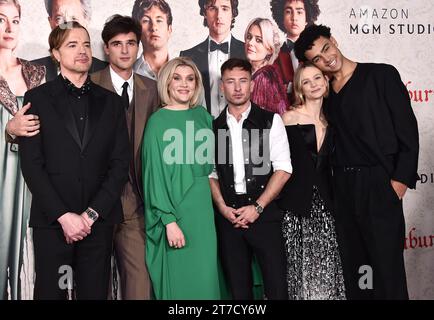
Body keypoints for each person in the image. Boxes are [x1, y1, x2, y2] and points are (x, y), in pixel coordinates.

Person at [294, 24, 419, 299]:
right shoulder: (325, 95)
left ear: (334, 40)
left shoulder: (381, 75)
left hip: (378, 186)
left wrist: (396, 185)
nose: (326, 58)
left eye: (326, 48)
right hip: (343, 191)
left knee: (387, 272)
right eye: (316, 58)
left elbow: (408, 134)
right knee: (358, 272)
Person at [19, 21, 130, 300]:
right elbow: (32, 165)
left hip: (98, 223)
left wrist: (89, 216)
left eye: (85, 44)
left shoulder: (112, 103)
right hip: (52, 222)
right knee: (51, 294)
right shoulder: (36, 99)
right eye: (72, 44)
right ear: (55, 53)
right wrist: (64, 217)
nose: (82, 50)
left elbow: (119, 165)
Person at [210, 58, 291, 299]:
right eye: (230, 82)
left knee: (277, 288)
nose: (237, 88)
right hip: (229, 219)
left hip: (265, 216)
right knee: (238, 291)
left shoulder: (270, 121)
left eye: (243, 81)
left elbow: (283, 169)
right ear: (222, 86)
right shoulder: (212, 127)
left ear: (252, 85)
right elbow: (211, 173)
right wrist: (223, 208)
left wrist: (258, 207)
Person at [91, 14, 159, 300]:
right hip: (93, 202)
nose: (125, 50)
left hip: (136, 204)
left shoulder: (153, 89)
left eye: (131, 43)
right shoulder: (89, 85)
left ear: (138, 46)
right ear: (106, 48)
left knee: (140, 284)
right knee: (94, 284)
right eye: (117, 44)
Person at [142, 57, 220, 299]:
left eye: (190, 78)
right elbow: (153, 176)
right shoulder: (157, 122)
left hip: (205, 214)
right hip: (176, 213)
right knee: (182, 286)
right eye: (177, 78)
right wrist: (169, 221)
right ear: (167, 83)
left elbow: (215, 169)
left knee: (206, 282)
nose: (184, 84)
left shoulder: (204, 117)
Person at [279, 62, 345, 299]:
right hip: (296, 207)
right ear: (299, 89)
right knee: (298, 273)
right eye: (306, 81)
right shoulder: (288, 118)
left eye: (317, 78)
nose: (314, 84)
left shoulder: (333, 123)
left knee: (327, 271)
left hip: (327, 208)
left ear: (326, 81)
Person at [0, 0, 45, 300]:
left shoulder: (36, 74)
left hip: (32, 179)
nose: (8, 28)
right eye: (1, 19)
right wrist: (8, 130)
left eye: (15, 21)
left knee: (31, 259)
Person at [180, 0, 245, 118]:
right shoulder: (188, 57)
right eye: (212, 8)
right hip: (201, 130)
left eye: (225, 8)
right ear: (204, 13)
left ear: (232, 13)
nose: (219, 15)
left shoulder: (248, 53)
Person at [32, 0, 107, 81]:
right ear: (51, 22)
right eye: (59, 19)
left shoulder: (106, 71)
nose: (67, 26)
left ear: (86, 20)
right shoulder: (32, 71)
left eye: (74, 19)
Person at [270, 0, 320, 103]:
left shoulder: (318, 51)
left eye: (299, 12)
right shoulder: (274, 57)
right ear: (281, 18)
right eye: (288, 12)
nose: (294, 18)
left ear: (307, 18)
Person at [244, 17, 289, 115]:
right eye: (249, 37)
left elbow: (256, 123)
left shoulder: (263, 77)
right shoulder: (267, 73)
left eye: (258, 40)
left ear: (270, 49)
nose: (250, 43)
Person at [132, 0, 172, 81]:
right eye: (146, 20)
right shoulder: (127, 74)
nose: (153, 27)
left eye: (159, 20)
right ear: (137, 30)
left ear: (169, 29)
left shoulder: (186, 73)